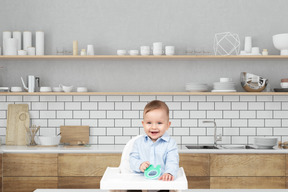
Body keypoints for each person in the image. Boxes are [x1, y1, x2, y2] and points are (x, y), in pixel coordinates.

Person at [129, 100, 179, 181]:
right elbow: (132, 159)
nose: (154, 127)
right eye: (149, 123)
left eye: (159, 123)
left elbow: (172, 161)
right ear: (143, 124)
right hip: (141, 181)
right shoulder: (138, 142)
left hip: (162, 181)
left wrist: (169, 173)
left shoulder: (170, 144)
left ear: (167, 125)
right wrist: (140, 165)